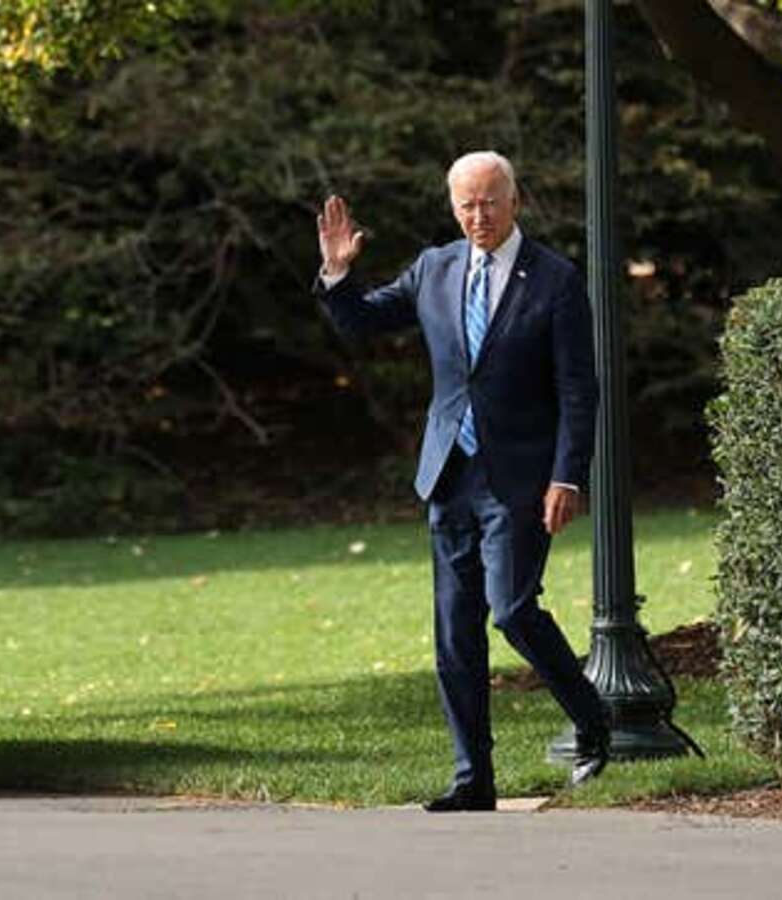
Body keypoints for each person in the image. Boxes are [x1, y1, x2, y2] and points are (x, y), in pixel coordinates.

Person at [314, 151, 610, 813]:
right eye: (466, 205)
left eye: (490, 202)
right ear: (453, 206)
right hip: (449, 474)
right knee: (455, 632)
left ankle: (593, 720)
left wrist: (568, 474)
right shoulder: (434, 268)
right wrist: (338, 272)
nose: (478, 216)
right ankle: (473, 777)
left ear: (515, 202)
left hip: (521, 480)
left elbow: (577, 391)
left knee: (511, 610)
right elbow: (362, 321)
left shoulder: (555, 280)